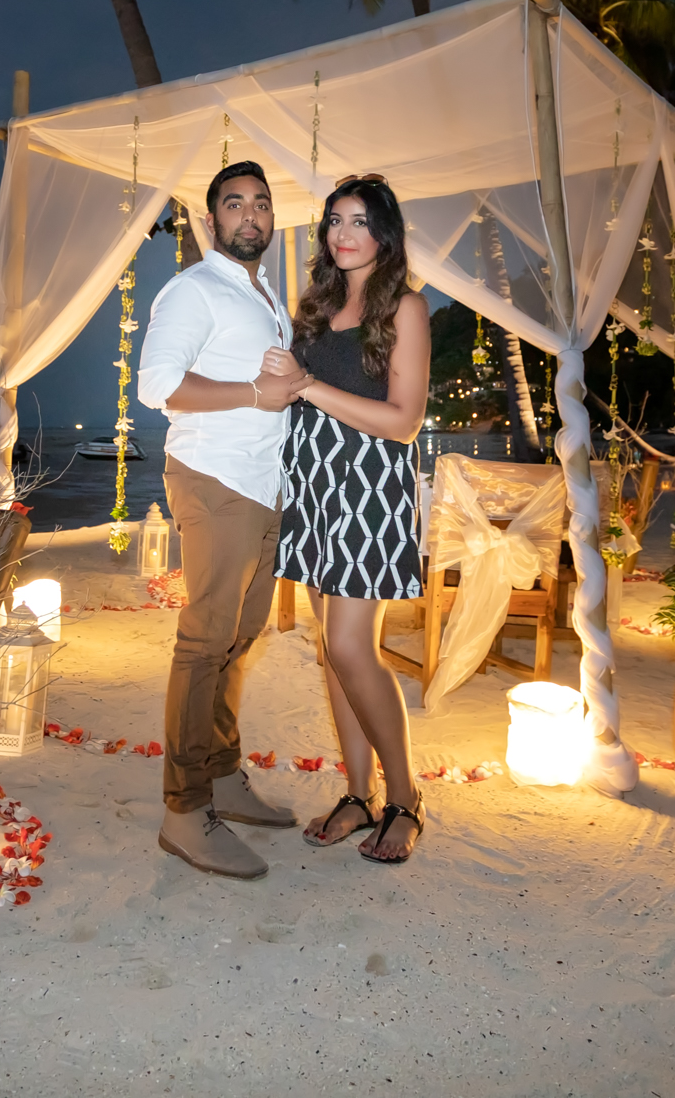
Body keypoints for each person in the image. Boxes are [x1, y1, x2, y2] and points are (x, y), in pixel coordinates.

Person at [134, 161, 312, 879]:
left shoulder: (264, 292)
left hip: (265, 483)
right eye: (234, 204)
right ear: (212, 220)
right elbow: (156, 385)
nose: (250, 216)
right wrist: (254, 393)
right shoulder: (193, 289)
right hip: (216, 479)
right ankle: (184, 808)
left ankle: (224, 772)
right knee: (204, 642)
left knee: (242, 635)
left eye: (261, 204)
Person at [262, 174, 430, 865]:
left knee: (354, 647)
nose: (343, 232)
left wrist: (310, 387)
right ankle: (358, 794)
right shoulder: (317, 307)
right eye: (335, 220)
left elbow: (404, 422)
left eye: (359, 221)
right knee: (332, 648)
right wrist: (279, 377)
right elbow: (291, 397)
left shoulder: (407, 309)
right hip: (314, 486)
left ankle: (405, 798)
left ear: (384, 234)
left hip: (368, 486)